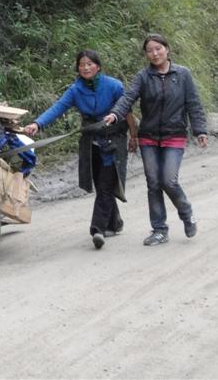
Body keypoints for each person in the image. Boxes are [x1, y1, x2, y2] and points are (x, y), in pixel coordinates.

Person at [22, 50, 138, 250]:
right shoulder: (75, 90)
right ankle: (115, 222)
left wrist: (134, 137)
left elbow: (127, 112)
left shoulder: (114, 86)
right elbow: (57, 108)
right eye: (82, 64)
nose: (85, 67)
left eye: (90, 64)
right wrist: (37, 124)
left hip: (114, 140)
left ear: (98, 66)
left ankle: (98, 230)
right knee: (102, 183)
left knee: (106, 183)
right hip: (91, 140)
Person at [105, 33, 208, 247]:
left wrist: (200, 130)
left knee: (169, 180)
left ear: (167, 49)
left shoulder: (183, 74)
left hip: (174, 135)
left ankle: (186, 213)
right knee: (153, 183)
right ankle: (159, 229)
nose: (154, 53)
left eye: (158, 49)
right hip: (149, 137)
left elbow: (194, 104)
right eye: (150, 50)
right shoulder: (143, 77)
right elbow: (127, 99)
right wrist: (115, 114)